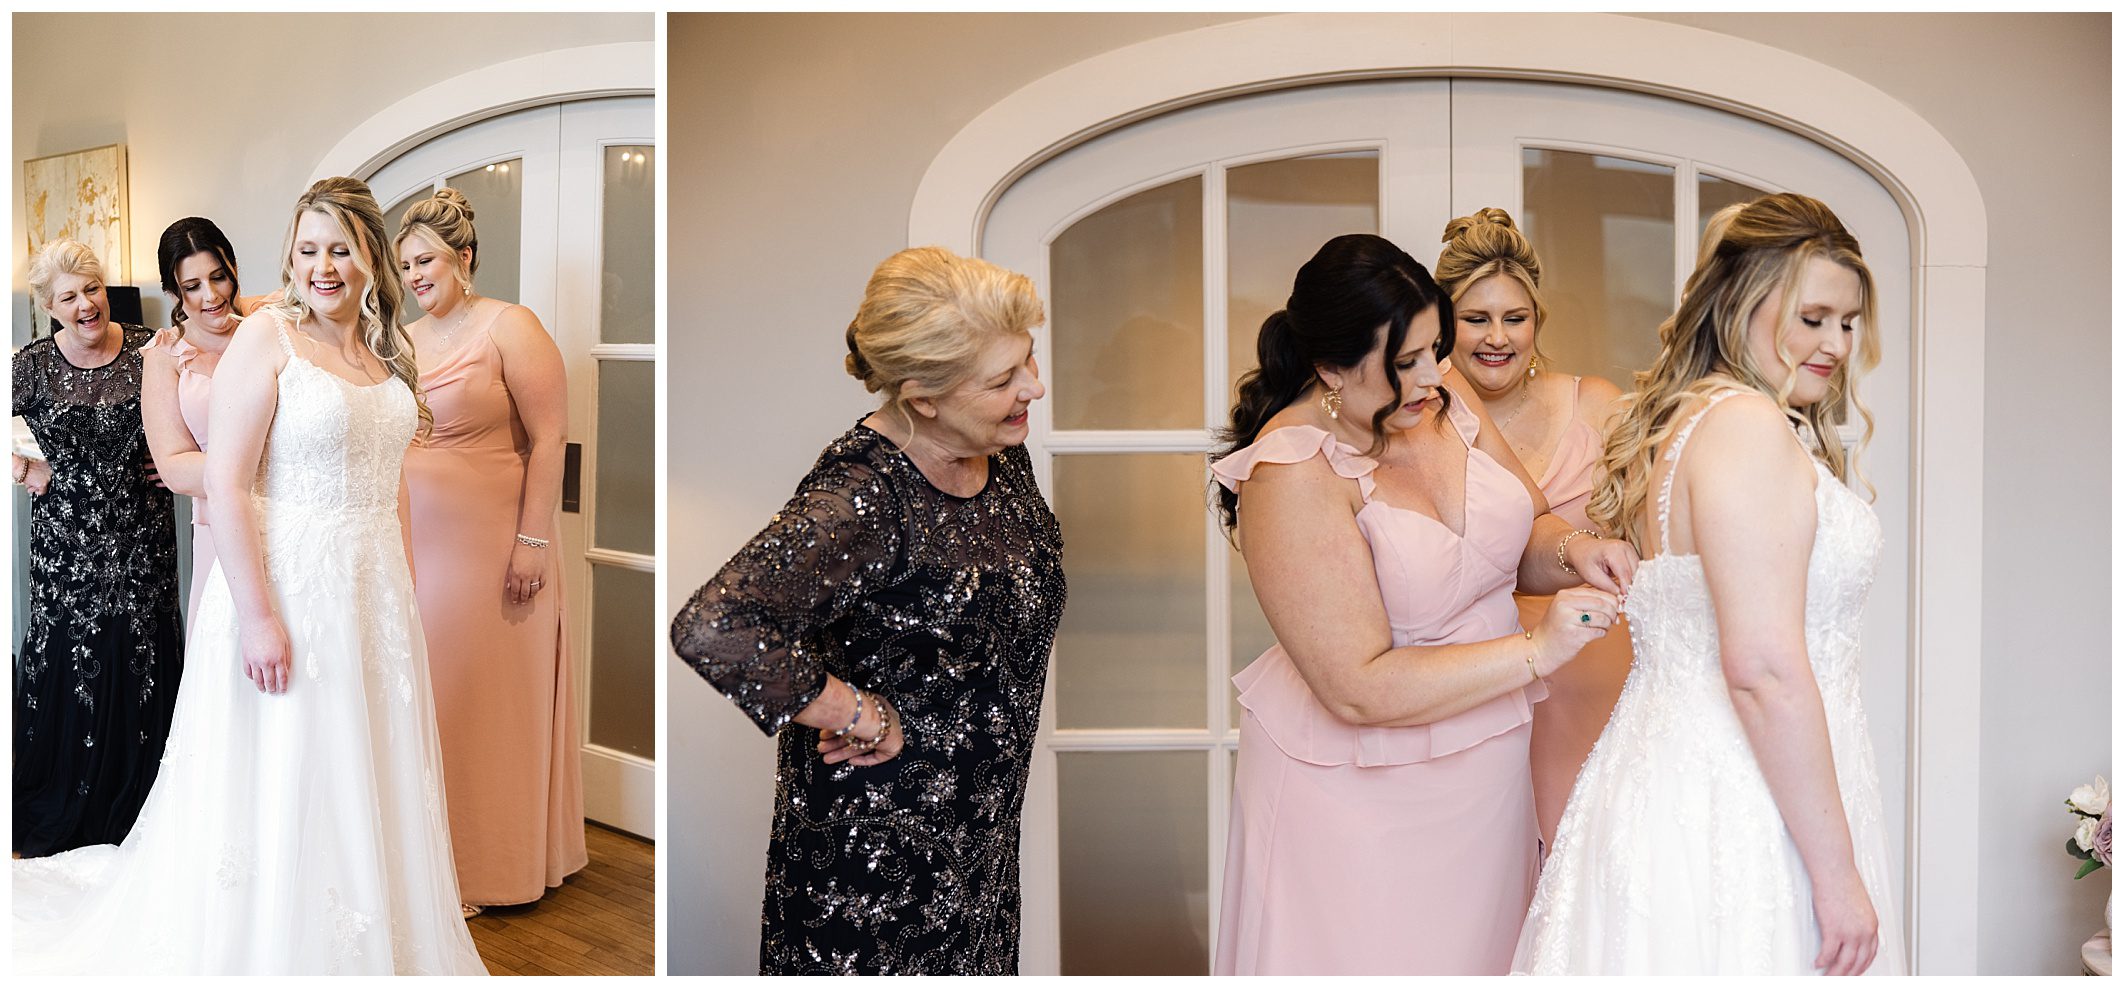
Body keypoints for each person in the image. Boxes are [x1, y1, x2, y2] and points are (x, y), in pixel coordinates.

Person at [12, 177, 487, 975]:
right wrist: (259, 616)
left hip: (372, 594)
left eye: (340, 249)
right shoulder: (270, 339)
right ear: (290, 257)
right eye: (307, 250)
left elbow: (391, 482)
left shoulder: (385, 352)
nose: (323, 266)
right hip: (285, 586)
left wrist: (402, 593)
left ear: (372, 255)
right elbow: (226, 482)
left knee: (361, 771)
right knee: (288, 770)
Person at [1209, 234, 1635, 975]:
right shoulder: (1292, 471)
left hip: (1486, 766)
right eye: (1401, 363)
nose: (1428, 379)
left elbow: (1526, 529)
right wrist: (1535, 653)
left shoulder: (1444, 394)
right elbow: (1358, 687)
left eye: (1434, 350)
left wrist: (1577, 554)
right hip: (1358, 791)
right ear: (1330, 366)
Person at [1513, 192, 1905, 975]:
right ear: (1742, 303)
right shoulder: (1747, 428)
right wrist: (1836, 877)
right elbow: (1760, 667)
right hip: (1738, 810)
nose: (1835, 343)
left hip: (1687, 786)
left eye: (1849, 320)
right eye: (1813, 316)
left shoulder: (1696, 422)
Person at [671, 246, 1067, 975]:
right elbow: (713, 627)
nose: (1032, 389)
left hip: (979, 843)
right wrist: (858, 713)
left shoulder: (1002, 451)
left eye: (1029, 361)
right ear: (923, 397)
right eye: (1005, 378)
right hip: (874, 865)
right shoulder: (862, 498)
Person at [396, 188, 585, 914]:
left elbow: (549, 441)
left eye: (427, 261)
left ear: (463, 258)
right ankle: (433, 865)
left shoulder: (511, 326)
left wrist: (532, 544)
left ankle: (489, 866)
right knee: (433, 694)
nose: (415, 276)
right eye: (406, 264)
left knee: (486, 700)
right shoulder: (402, 341)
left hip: (495, 544)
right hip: (418, 540)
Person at [1433, 208, 1632, 851]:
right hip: (1474, 678)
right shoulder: (1417, 412)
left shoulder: (1596, 405)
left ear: (1537, 322)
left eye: (1514, 318)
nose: (1498, 338)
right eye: (1476, 318)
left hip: (1593, 675)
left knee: (1582, 868)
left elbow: (1658, 525)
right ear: (1441, 324)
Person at [12, 239, 182, 857]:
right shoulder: (28, 365)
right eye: (69, 297)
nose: (87, 304)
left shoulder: (151, 349)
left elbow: (214, 394)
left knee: (137, 658)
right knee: (72, 659)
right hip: (65, 548)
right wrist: (19, 466)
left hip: (141, 539)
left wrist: (188, 460)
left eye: (92, 289)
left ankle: (145, 803)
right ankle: (65, 797)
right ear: (48, 307)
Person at [142, 217, 264, 624]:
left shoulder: (264, 332)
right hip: (217, 524)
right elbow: (175, 467)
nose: (211, 296)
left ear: (232, 267)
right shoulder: (164, 355)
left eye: (219, 277)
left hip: (290, 512)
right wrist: (263, 468)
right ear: (173, 291)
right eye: (192, 287)